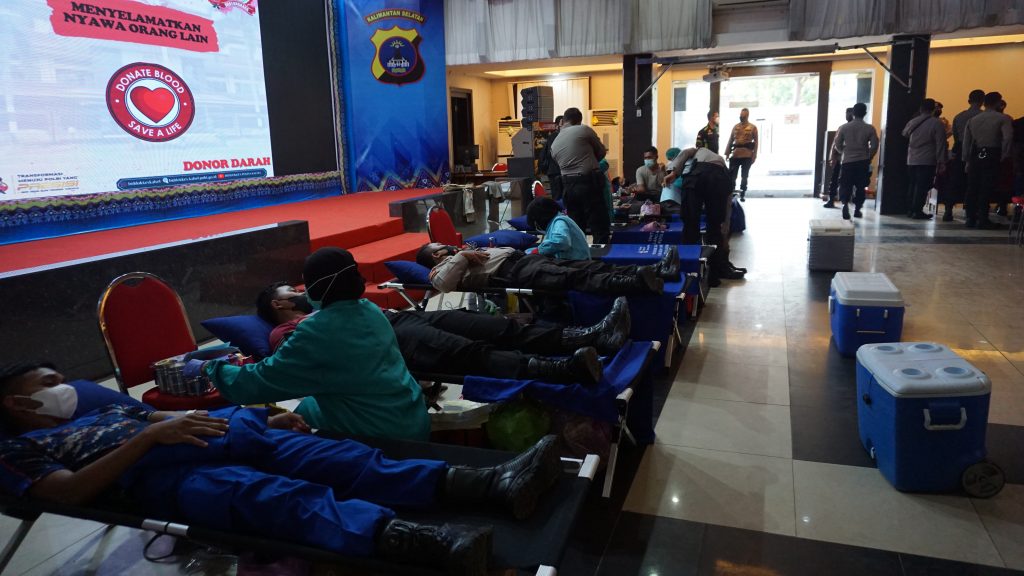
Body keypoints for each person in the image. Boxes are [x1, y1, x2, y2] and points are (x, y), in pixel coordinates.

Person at [0, 362, 563, 576]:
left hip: (220, 438)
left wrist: (263, 418)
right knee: (275, 498)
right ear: (17, 404)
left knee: (339, 457)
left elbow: (179, 418)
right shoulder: (22, 448)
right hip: (159, 478)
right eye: (49, 384)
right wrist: (149, 437)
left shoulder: (108, 409)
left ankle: (491, 484)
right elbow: (65, 495)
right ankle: (429, 543)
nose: (66, 387)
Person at [196, 247, 430, 441]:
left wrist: (209, 368)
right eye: (293, 291)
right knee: (306, 408)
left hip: (382, 434)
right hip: (412, 416)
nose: (302, 293)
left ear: (317, 287)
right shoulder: (370, 310)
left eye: (303, 286)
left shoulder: (315, 333)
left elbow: (260, 382)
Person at [257, 280, 630, 387]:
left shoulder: (321, 306)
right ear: (278, 304)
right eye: (290, 291)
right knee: (471, 352)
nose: (299, 291)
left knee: (498, 326)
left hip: (405, 318)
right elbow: (306, 355)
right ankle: (563, 370)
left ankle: (589, 337)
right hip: (394, 341)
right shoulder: (283, 333)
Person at [415, 242, 680, 296]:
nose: (448, 245)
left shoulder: (461, 252)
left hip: (525, 261)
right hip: (513, 274)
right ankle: (635, 283)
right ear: (436, 255)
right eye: (441, 246)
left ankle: (657, 270)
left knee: (589, 265)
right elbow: (443, 285)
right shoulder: (440, 270)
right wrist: (462, 255)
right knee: (574, 276)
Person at [662, 147, 745, 286]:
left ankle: (687, 274)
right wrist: (724, 235)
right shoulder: (722, 167)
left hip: (695, 177)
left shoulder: (697, 151)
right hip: (719, 180)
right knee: (714, 228)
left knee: (690, 226)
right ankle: (714, 277)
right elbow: (727, 207)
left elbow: (684, 153)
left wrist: (674, 173)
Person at [550, 107, 610, 242]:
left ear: (563, 121)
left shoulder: (554, 142)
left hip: (568, 186)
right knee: (598, 221)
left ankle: (579, 252)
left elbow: (557, 161)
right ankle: (601, 251)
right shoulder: (584, 130)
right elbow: (601, 152)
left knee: (576, 223)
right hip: (588, 182)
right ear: (579, 120)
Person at [963, 91, 1014, 229]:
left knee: (972, 187)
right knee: (986, 187)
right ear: (998, 102)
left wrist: (967, 160)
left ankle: (970, 217)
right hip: (993, 154)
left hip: (976, 154)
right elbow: (1008, 138)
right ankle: (983, 218)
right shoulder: (1003, 118)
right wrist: (1005, 154)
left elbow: (967, 142)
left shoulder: (973, 120)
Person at [901, 98, 947, 220]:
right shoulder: (937, 123)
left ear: (921, 109)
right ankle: (917, 211)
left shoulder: (913, 121)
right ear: (933, 109)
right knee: (922, 186)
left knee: (912, 184)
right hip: (927, 159)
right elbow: (941, 143)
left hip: (912, 159)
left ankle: (910, 209)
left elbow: (904, 133)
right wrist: (941, 161)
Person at [831, 103, 878, 219]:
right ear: (865, 113)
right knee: (861, 186)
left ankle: (845, 205)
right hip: (862, 161)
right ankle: (857, 209)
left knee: (845, 185)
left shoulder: (844, 127)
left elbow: (837, 143)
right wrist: (869, 156)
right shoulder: (870, 128)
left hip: (847, 161)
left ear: (853, 113)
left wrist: (843, 152)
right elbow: (874, 146)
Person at [948, 89, 986, 221]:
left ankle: (948, 210)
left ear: (969, 101)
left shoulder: (959, 116)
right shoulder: (983, 116)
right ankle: (972, 211)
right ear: (982, 101)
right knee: (975, 182)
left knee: (955, 180)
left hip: (960, 148)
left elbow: (956, 135)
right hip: (977, 150)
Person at [526, 196, 591, 260]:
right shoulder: (556, 222)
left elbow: (561, 242)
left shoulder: (559, 222)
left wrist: (539, 251)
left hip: (578, 263)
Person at [824, 107, 855, 209]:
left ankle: (837, 200)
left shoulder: (844, 128)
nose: (847, 115)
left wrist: (834, 156)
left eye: (849, 113)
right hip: (843, 158)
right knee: (836, 180)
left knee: (840, 180)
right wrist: (832, 157)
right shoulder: (842, 127)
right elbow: (835, 144)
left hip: (844, 158)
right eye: (846, 113)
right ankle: (833, 200)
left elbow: (836, 144)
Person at [725, 108, 759, 201]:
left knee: (744, 176)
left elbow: (756, 142)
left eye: (743, 115)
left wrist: (754, 155)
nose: (741, 117)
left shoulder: (753, 127)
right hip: (735, 154)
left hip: (747, 155)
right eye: (740, 115)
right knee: (732, 176)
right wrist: (727, 153)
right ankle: (731, 192)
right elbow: (730, 140)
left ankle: (742, 193)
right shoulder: (736, 127)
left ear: (747, 116)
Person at [538, 116, 564, 201]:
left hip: (554, 171)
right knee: (558, 196)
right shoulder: (555, 136)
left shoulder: (553, 136)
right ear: (557, 126)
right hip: (556, 171)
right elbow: (552, 153)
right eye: (562, 124)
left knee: (558, 195)